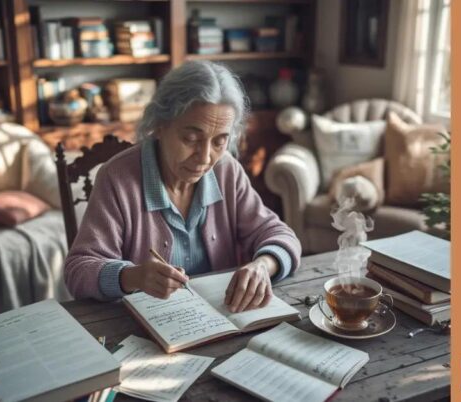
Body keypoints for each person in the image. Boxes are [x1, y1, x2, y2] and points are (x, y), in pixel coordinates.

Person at [64, 61, 301, 313]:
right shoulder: (118, 178)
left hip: (221, 320)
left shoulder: (226, 171)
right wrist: (132, 276)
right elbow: (78, 270)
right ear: (159, 125)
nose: (205, 157)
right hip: (146, 328)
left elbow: (281, 234)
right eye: (190, 139)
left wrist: (264, 264)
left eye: (220, 141)